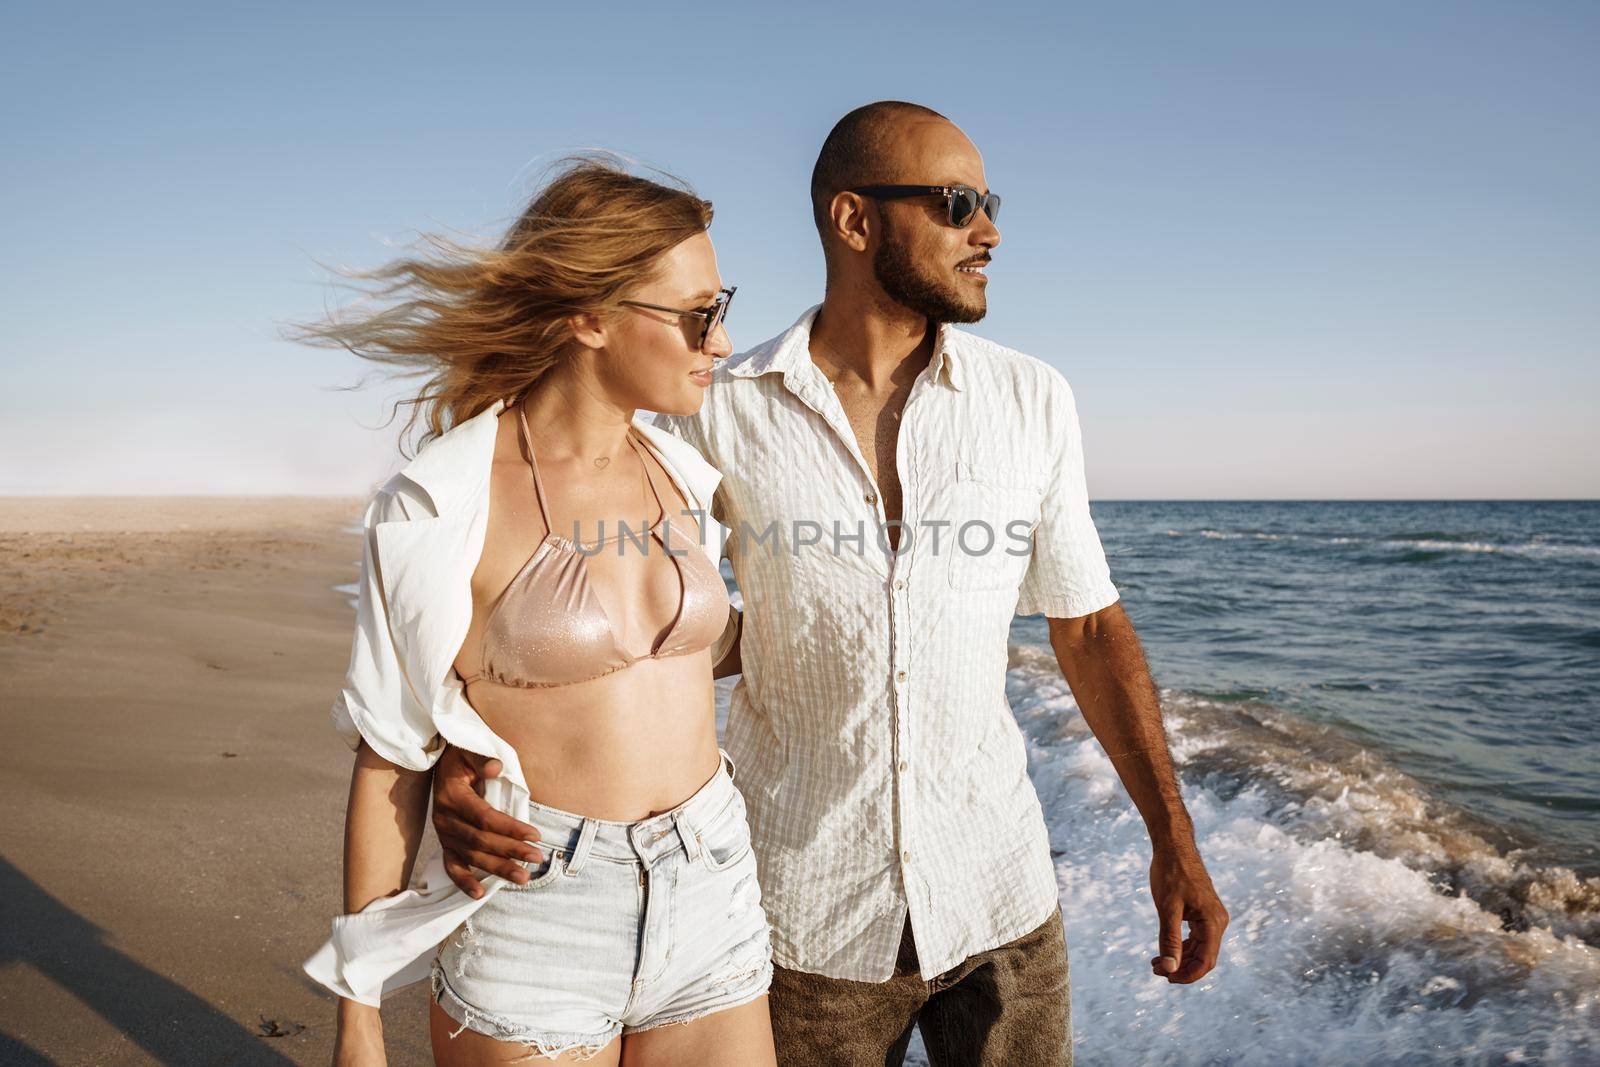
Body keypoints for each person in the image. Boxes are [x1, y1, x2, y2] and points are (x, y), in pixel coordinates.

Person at [432, 103, 1230, 1066]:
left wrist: (1173, 840)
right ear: (855, 221)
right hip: (801, 919)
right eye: (958, 203)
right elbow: (589, 603)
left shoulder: (1033, 400)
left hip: (1002, 898)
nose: (990, 231)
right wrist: (460, 754)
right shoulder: (715, 408)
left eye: (990, 203)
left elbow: (1090, 628)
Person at [296, 156, 777, 1066]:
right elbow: (391, 752)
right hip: (538, 903)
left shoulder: (686, 470)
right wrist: (358, 1018)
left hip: (711, 877)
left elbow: (663, 659)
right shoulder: (441, 502)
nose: (720, 341)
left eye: (723, 306)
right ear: (590, 317)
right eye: (698, 313)